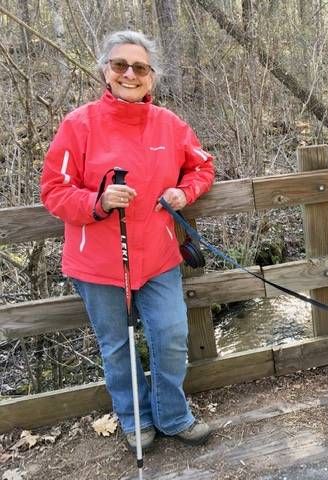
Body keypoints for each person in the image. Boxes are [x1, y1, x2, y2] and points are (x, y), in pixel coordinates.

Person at [40, 30, 215, 451]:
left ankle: (173, 416)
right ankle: (135, 418)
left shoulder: (170, 125)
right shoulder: (78, 125)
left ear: (151, 76)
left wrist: (182, 193)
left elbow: (203, 169)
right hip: (98, 263)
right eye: (121, 65)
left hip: (157, 257)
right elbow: (52, 190)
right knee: (117, 346)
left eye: (140, 67)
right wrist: (97, 202)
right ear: (106, 71)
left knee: (171, 336)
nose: (130, 74)